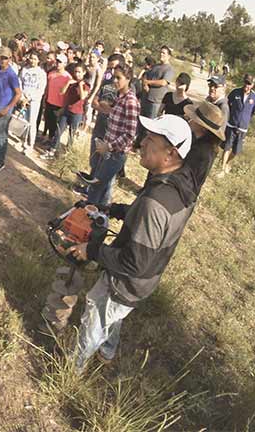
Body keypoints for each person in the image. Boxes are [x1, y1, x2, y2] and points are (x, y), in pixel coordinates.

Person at [68, 114, 195, 372]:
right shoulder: (177, 183)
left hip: (127, 281)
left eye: (150, 139)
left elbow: (133, 262)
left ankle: (72, 370)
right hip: (145, 279)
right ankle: (108, 350)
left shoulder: (156, 202)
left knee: (96, 314)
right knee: (114, 315)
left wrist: (90, 250)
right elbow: (143, 215)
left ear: (170, 154)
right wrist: (108, 209)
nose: (141, 142)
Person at [84, 65, 140, 206]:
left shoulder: (131, 101)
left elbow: (130, 134)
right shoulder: (121, 97)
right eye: (114, 77)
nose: (115, 80)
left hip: (115, 153)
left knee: (97, 188)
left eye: (118, 78)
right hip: (108, 151)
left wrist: (108, 146)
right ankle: (97, 220)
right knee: (101, 189)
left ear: (128, 79)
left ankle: (88, 218)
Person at [43, 62, 89, 157]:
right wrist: (68, 83)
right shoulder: (71, 82)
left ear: (84, 72)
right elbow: (62, 92)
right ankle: (52, 150)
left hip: (77, 112)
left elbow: (82, 97)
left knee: (71, 134)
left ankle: (68, 153)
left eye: (79, 72)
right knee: (59, 130)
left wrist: (80, 84)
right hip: (67, 110)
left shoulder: (86, 84)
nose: (77, 74)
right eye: (76, 72)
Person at [182, 99, 226, 196]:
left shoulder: (200, 151)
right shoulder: (206, 145)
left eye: (194, 119)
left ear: (202, 127)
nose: (190, 120)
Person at [220, 74, 255, 177]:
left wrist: (244, 120)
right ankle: (222, 169)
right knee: (227, 147)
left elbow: (254, 112)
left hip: (242, 129)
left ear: (253, 85)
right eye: (246, 82)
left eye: (249, 84)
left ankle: (227, 162)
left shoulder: (254, 98)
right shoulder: (235, 92)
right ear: (243, 82)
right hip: (231, 125)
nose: (247, 85)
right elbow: (227, 104)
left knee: (236, 151)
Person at [19, 50, 47, 153]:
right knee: (24, 121)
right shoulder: (24, 70)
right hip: (24, 99)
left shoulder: (41, 73)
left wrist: (29, 98)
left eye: (35, 59)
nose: (32, 61)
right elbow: (20, 82)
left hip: (34, 101)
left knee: (32, 122)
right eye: (31, 58)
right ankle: (24, 140)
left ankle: (31, 144)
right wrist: (22, 97)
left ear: (39, 60)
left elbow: (41, 90)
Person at [42, 55, 71, 147]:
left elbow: (68, 94)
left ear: (65, 64)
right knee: (48, 121)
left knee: (55, 125)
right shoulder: (51, 74)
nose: (58, 63)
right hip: (49, 101)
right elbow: (47, 87)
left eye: (60, 62)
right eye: (57, 61)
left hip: (59, 104)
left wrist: (64, 107)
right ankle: (49, 139)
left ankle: (53, 143)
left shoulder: (68, 77)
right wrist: (45, 98)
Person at [140, 46, 175, 119]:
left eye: (163, 53)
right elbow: (145, 74)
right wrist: (145, 84)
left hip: (155, 101)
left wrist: (148, 82)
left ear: (168, 56)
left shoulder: (169, 69)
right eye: (160, 52)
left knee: (151, 123)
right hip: (145, 98)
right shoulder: (155, 66)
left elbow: (163, 82)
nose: (161, 54)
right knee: (141, 121)